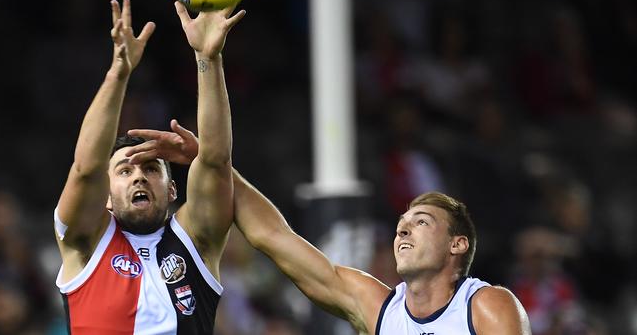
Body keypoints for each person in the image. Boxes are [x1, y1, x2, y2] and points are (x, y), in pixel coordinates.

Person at [125, 122, 532, 335]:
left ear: (457, 244)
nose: (403, 231)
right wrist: (209, 161)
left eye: (420, 223)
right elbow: (274, 237)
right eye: (401, 224)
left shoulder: (485, 306)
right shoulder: (377, 308)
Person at [53, 0, 244, 333]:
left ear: (172, 190)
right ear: (106, 197)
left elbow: (215, 160)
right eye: (125, 171)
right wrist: (119, 73)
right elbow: (86, 169)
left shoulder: (196, 240)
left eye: (151, 169)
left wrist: (208, 57)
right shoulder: (86, 243)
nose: (138, 177)